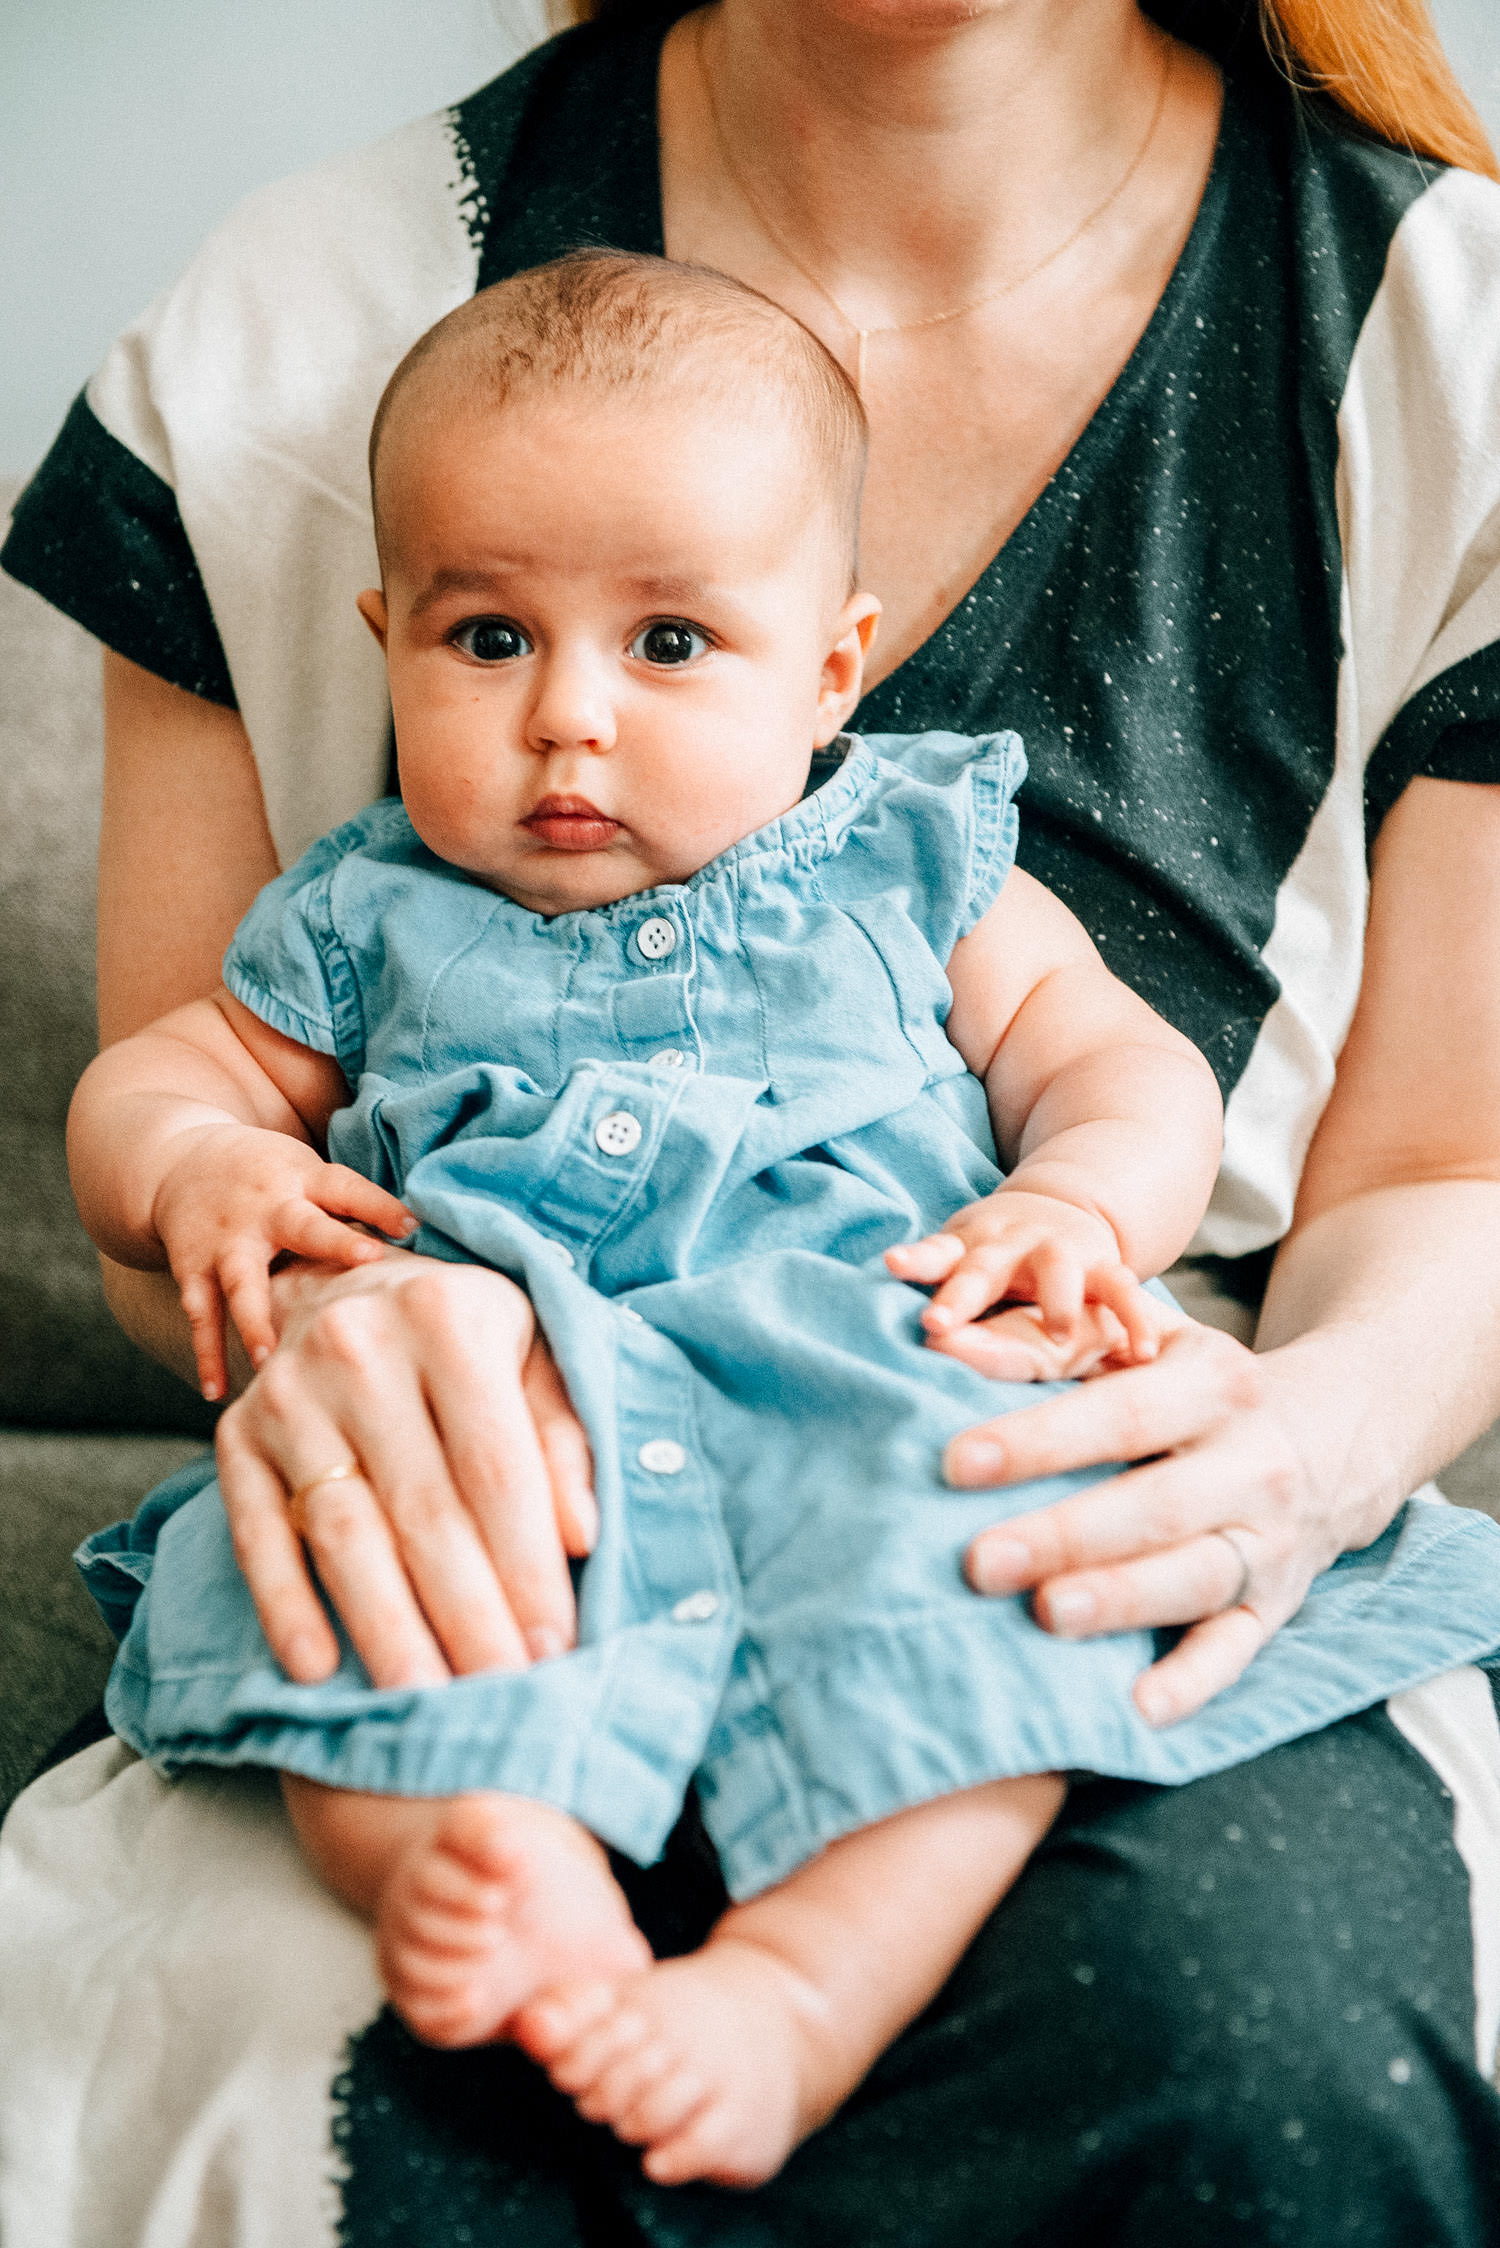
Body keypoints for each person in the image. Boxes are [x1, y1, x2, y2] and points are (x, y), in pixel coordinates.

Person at [6, 1, 1500, 2241]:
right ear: (389, 626)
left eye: (671, 645)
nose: (570, 722)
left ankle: (798, 1980)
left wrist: (1104, 1233)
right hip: (492, 1446)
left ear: (836, 668)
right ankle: (492, 1865)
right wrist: (247, 1224)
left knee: (1049, 1744)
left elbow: (1182, 1090)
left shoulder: (923, 837)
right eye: (486, 639)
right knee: (353, 1694)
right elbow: (172, 1113)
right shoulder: (353, 790)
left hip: (910, 1384)